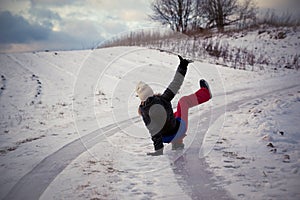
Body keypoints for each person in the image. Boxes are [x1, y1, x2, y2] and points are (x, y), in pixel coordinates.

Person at [136, 55, 212, 156]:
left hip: (164, 137)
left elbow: (154, 131)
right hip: (176, 131)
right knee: (183, 102)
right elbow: (175, 83)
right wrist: (183, 66)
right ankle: (205, 93)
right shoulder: (163, 99)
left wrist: (158, 150)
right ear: (151, 93)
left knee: (173, 115)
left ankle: (177, 144)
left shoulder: (144, 111)